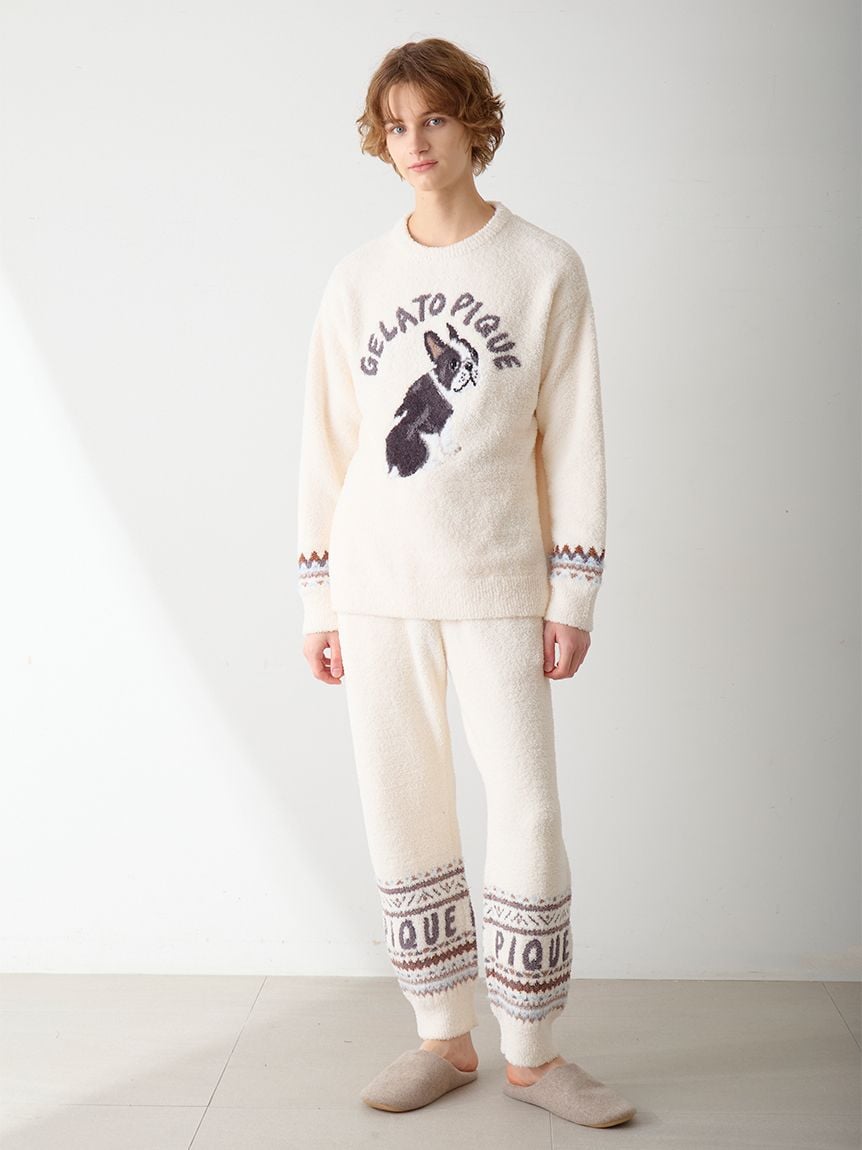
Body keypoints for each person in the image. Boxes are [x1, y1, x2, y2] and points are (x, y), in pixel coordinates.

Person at [296, 37, 636, 1129]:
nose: (414, 142)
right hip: (376, 585)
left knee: (526, 808)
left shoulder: (542, 268)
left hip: (496, 581)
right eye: (395, 125)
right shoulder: (357, 279)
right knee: (402, 802)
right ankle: (441, 1035)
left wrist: (571, 594)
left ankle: (533, 1053)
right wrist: (318, 598)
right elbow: (327, 447)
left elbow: (573, 441)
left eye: (433, 119)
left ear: (473, 123)